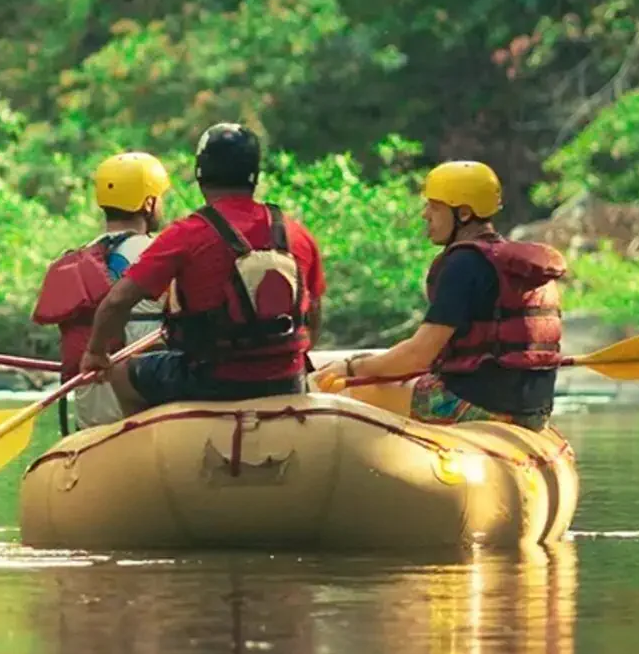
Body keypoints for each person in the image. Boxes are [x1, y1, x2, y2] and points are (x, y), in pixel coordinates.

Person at [85, 122, 324, 412]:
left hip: (212, 381)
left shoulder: (186, 234)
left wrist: (96, 354)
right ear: (255, 176)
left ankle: (140, 442)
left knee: (123, 374)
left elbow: (117, 301)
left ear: (201, 176)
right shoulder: (296, 233)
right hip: (289, 380)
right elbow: (314, 314)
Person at [314, 159, 563, 428]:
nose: (425, 215)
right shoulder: (517, 268)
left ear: (464, 214)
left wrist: (352, 368)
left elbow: (418, 356)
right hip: (533, 409)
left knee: (350, 389)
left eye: (434, 207)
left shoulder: (464, 264)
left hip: (477, 405)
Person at [33, 151, 168, 430]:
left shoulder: (77, 257)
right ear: (149, 203)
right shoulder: (160, 254)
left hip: (91, 424)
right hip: (142, 417)